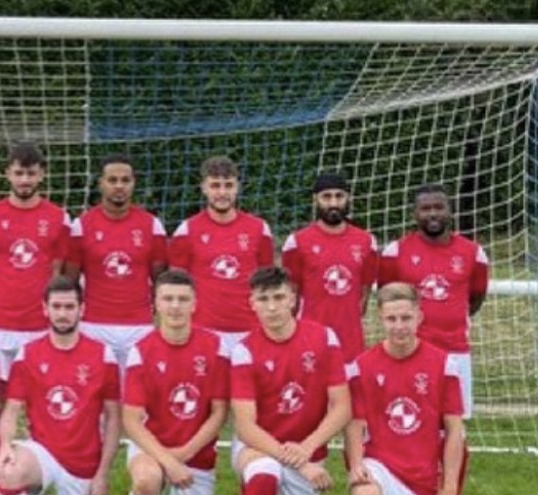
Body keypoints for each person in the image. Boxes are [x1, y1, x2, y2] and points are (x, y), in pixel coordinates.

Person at [211, 266, 350, 495]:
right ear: (252, 304)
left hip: (305, 449)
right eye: (263, 299)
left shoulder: (324, 338)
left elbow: (342, 406)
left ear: (293, 299)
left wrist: (307, 450)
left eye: (278, 297)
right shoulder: (244, 351)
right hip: (260, 446)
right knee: (264, 471)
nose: (272, 307)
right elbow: (245, 427)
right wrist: (300, 462)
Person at [320, 283, 465, 495]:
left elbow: (455, 431)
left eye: (406, 317)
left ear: (419, 317)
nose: (399, 326)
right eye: (391, 318)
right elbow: (354, 424)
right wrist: (357, 465)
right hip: (381, 463)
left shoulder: (444, 365)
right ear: (380, 319)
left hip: (422, 477)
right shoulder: (361, 366)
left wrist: (450, 490)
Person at [0, 276, 121, 495]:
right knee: (9, 471)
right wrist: (6, 446)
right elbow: (10, 411)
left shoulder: (102, 355)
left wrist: (103, 473)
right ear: (45, 310)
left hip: (84, 462)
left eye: (69, 307)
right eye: (56, 307)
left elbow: (115, 417)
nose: (63, 313)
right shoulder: (28, 354)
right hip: (43, 455)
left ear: (82, 310)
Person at [378, 185, 489, 495]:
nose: (432, 214)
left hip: (455, 354)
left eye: (438, 207)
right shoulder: (397, 251)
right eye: (425, 209)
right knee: (405, 422)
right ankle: (400, 493)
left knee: (455, 429)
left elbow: (474, 297)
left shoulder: (473, 253)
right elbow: (389, 298)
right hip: (410, 354)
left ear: (449, 210)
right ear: (415, 213)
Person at [121, 268, 229, 495]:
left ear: (195, 303)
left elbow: (219, 412)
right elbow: (131, 420)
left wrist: (183, 455)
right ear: (155, 304)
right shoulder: (142, 350)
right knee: (146, 480)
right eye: (167, 299)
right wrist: (168, 461)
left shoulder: (216, 347)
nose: (175, 306)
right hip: (152, 449)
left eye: (183, 299)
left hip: (194, 455)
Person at [0, 142, 70, 380]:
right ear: (7, 173)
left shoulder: (59, 218)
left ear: (42, 174)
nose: (24, 180)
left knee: (42, 396)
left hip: (40, 324)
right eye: (19, 173)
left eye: (31, 173)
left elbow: (57, 272)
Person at [65, 154, 167, 374]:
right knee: (96, 401)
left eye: (125, 180)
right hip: (94, 326)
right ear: (100, 183)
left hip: (140, 327)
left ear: (133, 183)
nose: (119, 186)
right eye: (112, 180)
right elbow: (69, 282)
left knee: (137, 402)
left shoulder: (152, 225)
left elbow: (161, 281)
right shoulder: (81, 226)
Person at [168, 156, 274, 355]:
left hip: (250, 329)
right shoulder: (187, 230)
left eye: (228, 185)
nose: (222, 192)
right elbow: (176, 286)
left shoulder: (259, 229)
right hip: (204, 330)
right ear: (204, 188)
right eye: (215, 186)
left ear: (237, 187)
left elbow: (266, 283)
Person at [281, 172, 379, 365]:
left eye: (339, 196)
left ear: (348, 198)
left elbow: (363, 298)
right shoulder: (297, 242)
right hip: (310, 344)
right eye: (326, 196)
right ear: (315, 200)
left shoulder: (367, 242)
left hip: (351, 346)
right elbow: (291, 297)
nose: (333, 203)